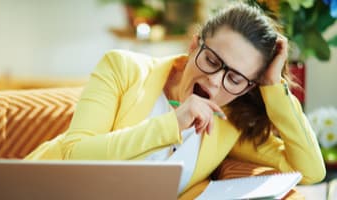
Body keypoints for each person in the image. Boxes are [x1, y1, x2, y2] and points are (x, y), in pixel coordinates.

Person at [26, 2, 325, 199]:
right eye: (211, 60)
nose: (214, 80)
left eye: (234, 78)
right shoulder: (122, 68)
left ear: (248, 87)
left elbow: (311, 170)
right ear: (195, 44)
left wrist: (274, 86)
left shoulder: (229, 123)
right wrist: (172, 123)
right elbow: (74, 156)